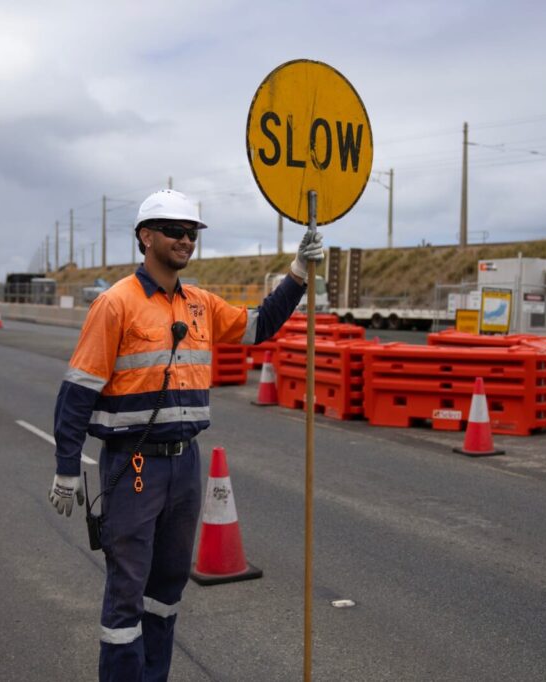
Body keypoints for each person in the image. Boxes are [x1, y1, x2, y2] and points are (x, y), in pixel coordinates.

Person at [48, 189, 323, 681]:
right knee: (128, 590)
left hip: (184, 465)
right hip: (133, 466)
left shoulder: (200, 304)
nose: (185, 239)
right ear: (145, 237)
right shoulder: (116, 305)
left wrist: (298, 274)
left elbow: (259, 327)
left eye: (192, 232)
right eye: (174, 230)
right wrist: (67, 468)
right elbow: (77, 393)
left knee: (167, 587)